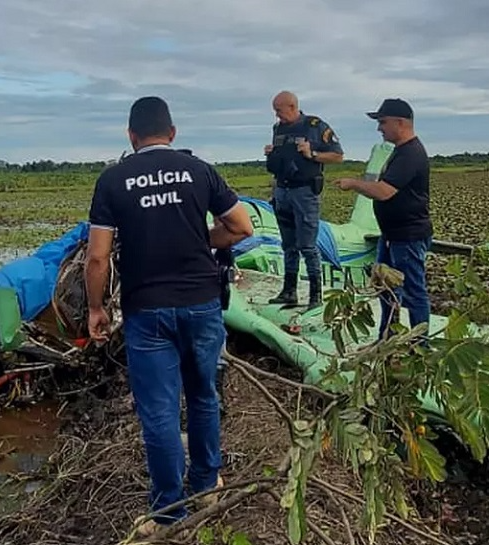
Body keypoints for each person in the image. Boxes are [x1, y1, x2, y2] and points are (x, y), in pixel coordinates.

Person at [84, 96, 254, 535]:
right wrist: (202, 242)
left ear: (131, 136)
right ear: (173, 133)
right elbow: (242, 227)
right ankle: (206, 485)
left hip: (147, 312)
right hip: (202, 304)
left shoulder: (113, 180)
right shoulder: (199, 171)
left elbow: (98, 258)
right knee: (202, 397)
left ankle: (169, 513)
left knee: (159, 413)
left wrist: (96, 308)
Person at [333, 98, 432, 341]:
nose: (380, 128)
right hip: (391, 236)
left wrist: (354, 183)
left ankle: (420, 345)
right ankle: (387, 337)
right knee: (384, 287)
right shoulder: (400, 152)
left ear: (401, 123)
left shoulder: (411, 153)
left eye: (383, 122)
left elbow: (385, 191)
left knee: (413, 291)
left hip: (407, 236)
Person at [264, 91, 344, 310]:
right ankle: (289, 291)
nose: (277, 115)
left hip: (305, 193)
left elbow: (338, 156)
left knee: (307, 245)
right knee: (288, 245)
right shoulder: (278, 128)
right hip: (282, 190)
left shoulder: (315, 126)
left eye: (279, 110)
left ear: (291, 106)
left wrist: (313, 154)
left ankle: (315, 295)